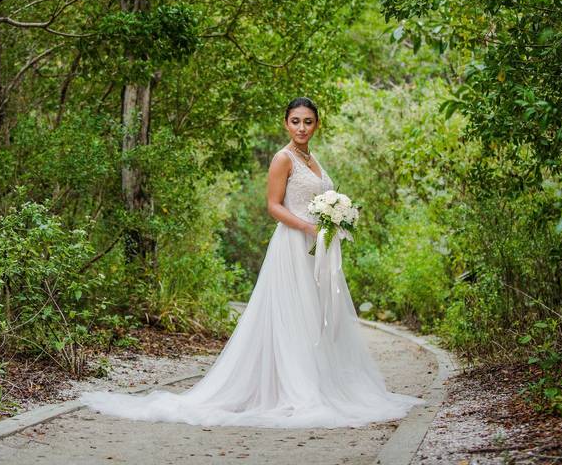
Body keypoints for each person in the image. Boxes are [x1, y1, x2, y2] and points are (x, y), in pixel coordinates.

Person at [79, 97, 425, 428]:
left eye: (307, 122)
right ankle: (292, 388)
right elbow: (274, 206)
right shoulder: (283, 158)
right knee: (294, 313)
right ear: (285, 123)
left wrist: (336, 220)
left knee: (317, 314)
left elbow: (322, 198)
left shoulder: (313, 159)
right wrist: (307, 226)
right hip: (292, 243)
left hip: (318, 246)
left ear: (317, 124)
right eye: (295, 122)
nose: (301, 128)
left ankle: (323, 382)